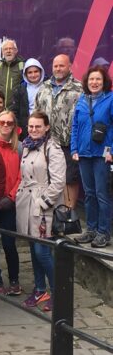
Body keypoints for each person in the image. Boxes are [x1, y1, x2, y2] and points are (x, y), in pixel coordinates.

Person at [16, 111, 66, 312]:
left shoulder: (52, 149)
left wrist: (44, 202)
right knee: (33, 249)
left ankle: (59, 291)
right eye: (31, 126)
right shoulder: (27, 146)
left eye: (38, 126)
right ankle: (39, 289)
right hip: (26, 203)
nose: (34, 130)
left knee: (42, 251)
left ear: (46, 127)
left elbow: (59, 181)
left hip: (43, 206)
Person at [71, 66, 113, 247]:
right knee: (89, 194)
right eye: (91, 80)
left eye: (98, 79)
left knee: (102, 194)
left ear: (104, 82)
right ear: (86, 82)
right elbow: (75, 127)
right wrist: (74, 149)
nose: (94, 82)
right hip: (84, 154)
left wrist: (111, 150)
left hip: (102, 155)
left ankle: (104, 232)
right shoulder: (82, 100)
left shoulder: (111, 99)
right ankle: (91, 230)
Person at [34, 54, 82, 209]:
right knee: (47, 178)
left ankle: (68, 216)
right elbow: (37, 112)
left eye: (62, 65)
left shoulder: (79, 89)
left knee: (69, 179)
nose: (58, 69)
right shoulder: (44, 87)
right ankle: (51, 215)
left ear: (70, 66)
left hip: (68, 143)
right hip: (46, 142)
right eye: (56, 66)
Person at [0, 110, 23, 295]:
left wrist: (12, 196)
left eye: (9, 123)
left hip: (10, 202)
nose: (5, 125)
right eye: (2, 122)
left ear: (14, 126)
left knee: (9, 243)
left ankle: (14, 279)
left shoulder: (18, 148)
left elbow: (21, 175)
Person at [10, 58, 45, 140]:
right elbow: (14, 111)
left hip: (43, 129)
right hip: (25, 131)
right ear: (25, 74)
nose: (33, 75)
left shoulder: (48, 87)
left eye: (36, 71)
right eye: (30, 72)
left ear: (41, 72)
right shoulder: (20, 89)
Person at [0, 39, 25, 106]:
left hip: (17, 108)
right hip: (1, 107)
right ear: (2, 52)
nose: (8, 51)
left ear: (16, 51)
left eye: (11, 49)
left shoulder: (22, 66)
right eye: (5, 49)